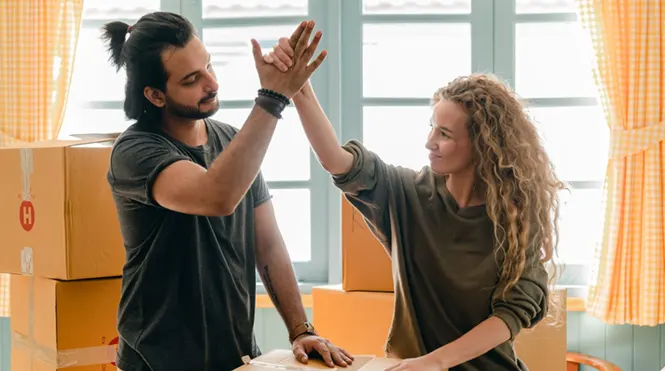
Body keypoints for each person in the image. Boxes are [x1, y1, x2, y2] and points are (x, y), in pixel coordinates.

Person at [264, 38, 564, 371]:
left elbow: (512, 313)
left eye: (445, 134)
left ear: (483, 146)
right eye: (431, 127)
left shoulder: (516, 217)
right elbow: (337, 160)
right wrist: (300, 88)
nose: (429, 142)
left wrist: (434, 362)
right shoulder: (407, 193)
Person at [102, 13, 353, 371]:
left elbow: (267, 242)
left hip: (235, 353)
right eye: (192, 79)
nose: (212, 83)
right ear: (156, 95)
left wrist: (300, 330)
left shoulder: (232, 140)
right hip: (157, 360)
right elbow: (216, 197)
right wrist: (273, 96)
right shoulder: (135, 152)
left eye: (209, 66)